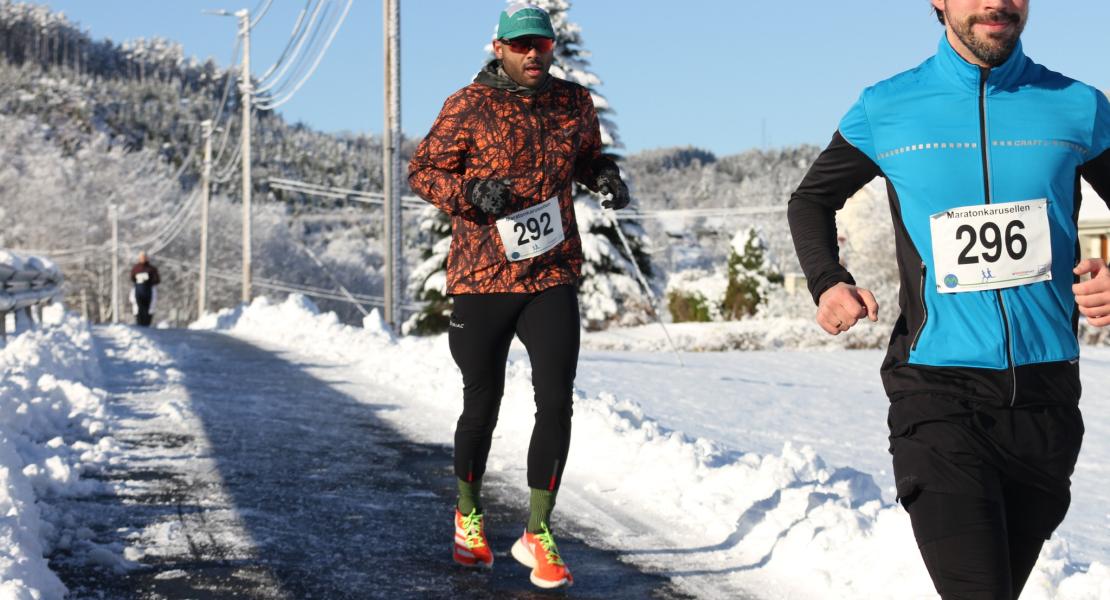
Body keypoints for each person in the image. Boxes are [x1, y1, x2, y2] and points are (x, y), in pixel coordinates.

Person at [788, 1, 1110, 597]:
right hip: (936, 393)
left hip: (1047, 401)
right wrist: (827, 279)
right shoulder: (888, 107)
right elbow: (809, 201)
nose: (997, 3)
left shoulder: (1079, 106)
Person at [407, 2, 629, 590]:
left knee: (556, 398)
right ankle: (469, 515)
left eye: (543, 45)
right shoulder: (467, 104)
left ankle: (537, 529)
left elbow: (586, 158)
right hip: (482, 277)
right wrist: (469, 191)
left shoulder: (572, 103)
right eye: (522, 45)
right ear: (500, 48)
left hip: (550, 273)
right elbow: (423, 171)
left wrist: (603, 175)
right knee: (483, 401)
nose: (534, 54)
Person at [129, 251, 161, 327]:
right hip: (138, 290)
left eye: (144, 257)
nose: (143, 259)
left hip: (148, 290)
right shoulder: (136, 268)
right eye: (141, 257)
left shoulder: (151, 269)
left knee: (147, 307)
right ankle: (140, 323)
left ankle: (146, 323)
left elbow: (157, 280)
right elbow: (132, 278)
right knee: (139, 306)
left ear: (147, 258)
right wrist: (139, 279)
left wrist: (148, 281)